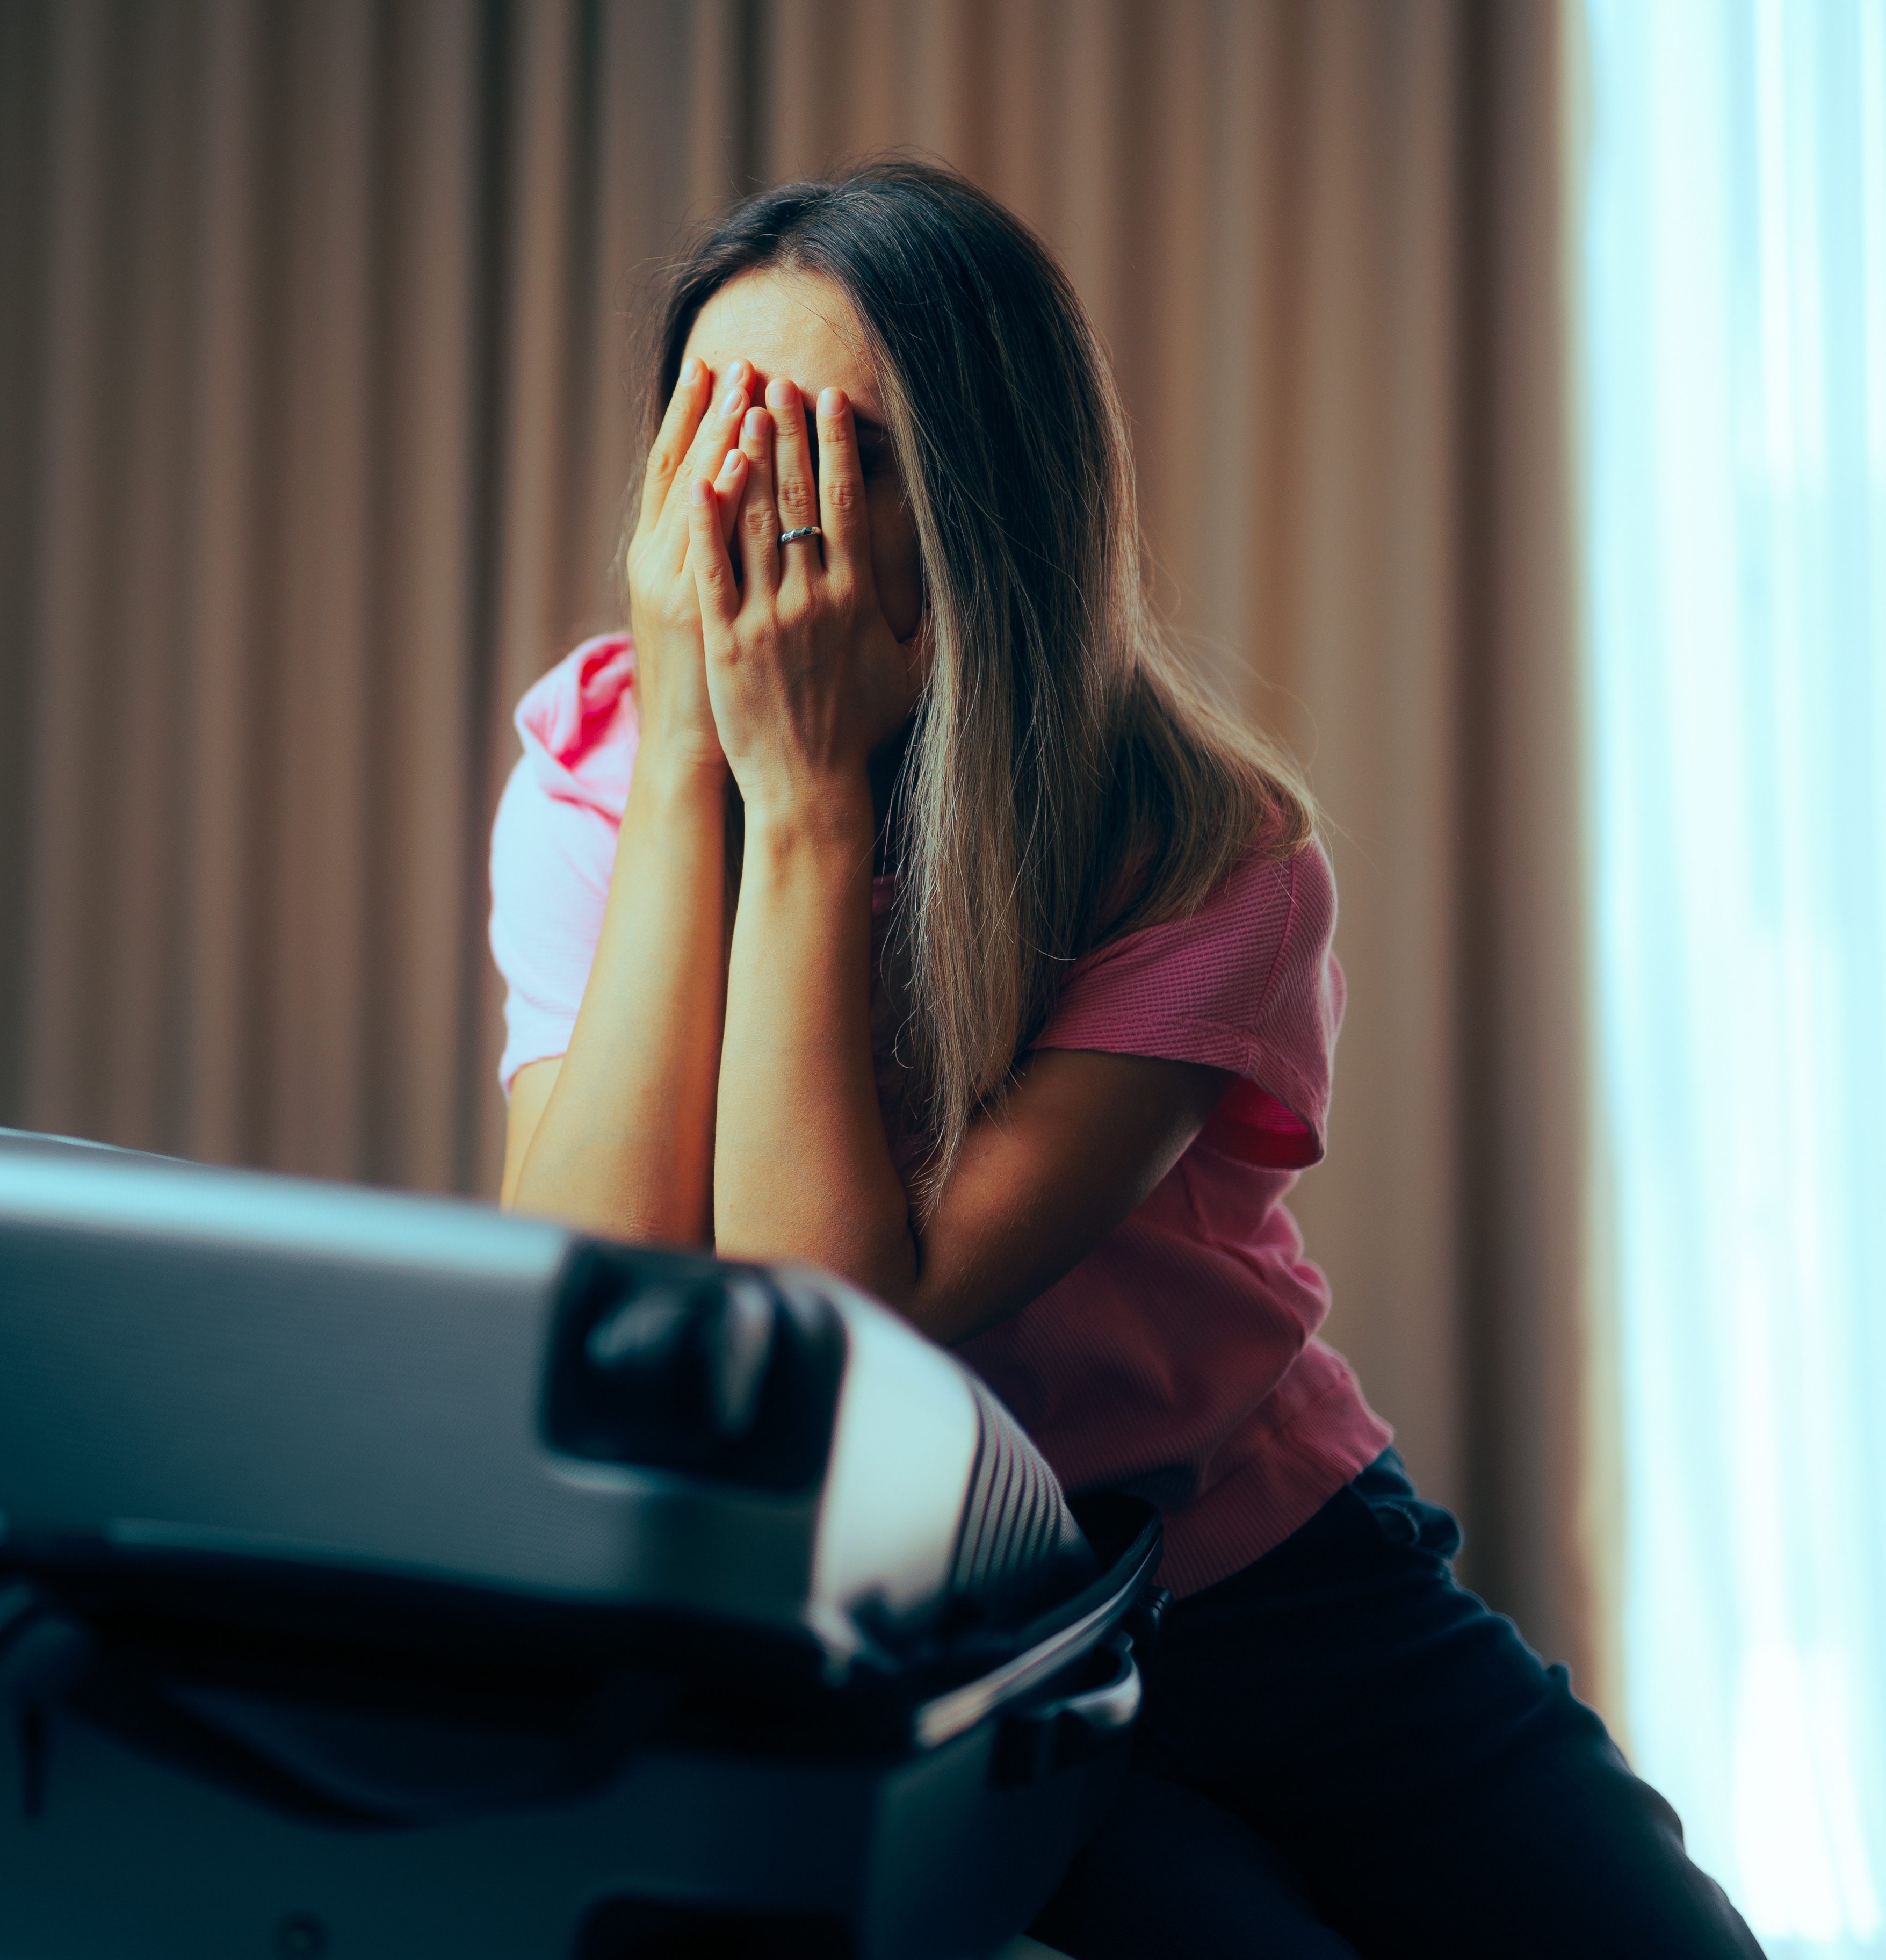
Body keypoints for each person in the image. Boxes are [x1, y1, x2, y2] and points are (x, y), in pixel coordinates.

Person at [487, 158, 1757, 1960]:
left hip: (1264, 1571)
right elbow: (614, 1311)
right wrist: (719, 774)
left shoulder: (1204, 852)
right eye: (714, 442)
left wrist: (809, 792)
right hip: (931, 1628)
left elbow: (872, 1297)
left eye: (827, 456)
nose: (762, 515)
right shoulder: (598, 778)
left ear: (981, 505)